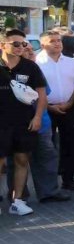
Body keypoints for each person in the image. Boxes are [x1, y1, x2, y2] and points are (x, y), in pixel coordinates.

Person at [0, 29, 48, 215]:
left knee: (22, 159)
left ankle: (17, 200)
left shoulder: (31, 67)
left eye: (24, 44)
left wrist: (37, 117)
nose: (21, 47)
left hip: (24, 122)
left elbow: (42, 95)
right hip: (1, 123)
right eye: (16, 44)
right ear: (3, 45)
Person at [36, 31, 74, 191]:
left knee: (69, 144)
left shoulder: (72, 63)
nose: (57, 43)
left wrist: (69, 103)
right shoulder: (37, 63)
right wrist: (49, 106)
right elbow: (34, 90)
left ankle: (68, 179)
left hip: (69, 108)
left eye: (59, 40)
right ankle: (50, 185)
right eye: (52, 41)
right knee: (47, 148)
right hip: (45, 109)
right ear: (43, 45)